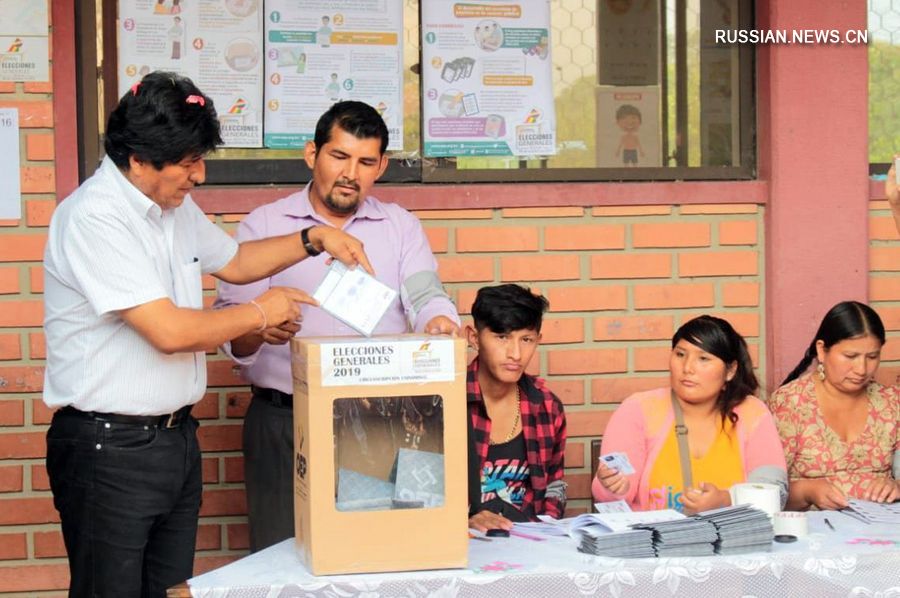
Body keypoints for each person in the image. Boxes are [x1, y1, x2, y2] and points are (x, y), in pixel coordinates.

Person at [42, 72, 372, 598]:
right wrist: (260, 313)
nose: (200, 175)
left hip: (173, 439)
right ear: (140, 159)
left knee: (171, 590)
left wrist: (314, 238)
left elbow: (235, 261)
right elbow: (170, 330)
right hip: (109, 448)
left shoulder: (170, 206)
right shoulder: (94, 217)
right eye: (189, 161)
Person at [214, 100, 460, 552]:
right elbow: (232, 332)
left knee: (377, 554)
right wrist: (259, 328)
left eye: (366, 162)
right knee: (283, 555)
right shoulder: (265, 225)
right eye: (339, 156)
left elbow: (426, 295)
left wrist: (440, 322)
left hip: (381, 419)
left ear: (381, 166)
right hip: (286, 420)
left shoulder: (400, 227)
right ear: (312, 154)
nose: (350, 173)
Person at [593, 315, 787, 514]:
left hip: (731, 534)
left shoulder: (752, 412)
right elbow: (610, 497)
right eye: (680, 354)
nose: (687, 368)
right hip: (652, 533)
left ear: (730, 371)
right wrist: (612, 487)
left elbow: (774, 491)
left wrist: (726, 500)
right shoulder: (637, 409)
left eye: (703, 359)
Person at [770, 301, 900, 510]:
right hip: (812, 526)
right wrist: (807, 491)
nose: (861, 369)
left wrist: (896, 486)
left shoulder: (891, 402)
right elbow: (767, 491)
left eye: (872, 357)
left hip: (881, 524)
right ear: (822, 350)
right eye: (850, 356)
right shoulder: (790, 403)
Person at [465, 284, 567, 532]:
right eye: (502, 337)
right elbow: (419, 496)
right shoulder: (445, 404)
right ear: (474, 338)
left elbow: (554, 487)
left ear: (538, 341)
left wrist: (544, 529)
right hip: (463, 543)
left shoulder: (547, 406)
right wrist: (463, 521)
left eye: (526, 339)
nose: (516, 354)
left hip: (528, 541)